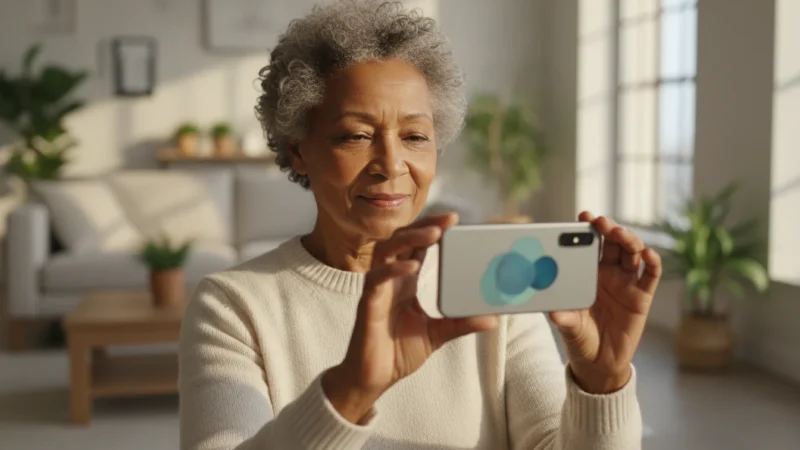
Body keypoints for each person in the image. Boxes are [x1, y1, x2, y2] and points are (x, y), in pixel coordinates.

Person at [178, 1, 662, 449]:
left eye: (414, 136)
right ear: (299, 149)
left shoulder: (493, 290)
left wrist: (603, 384)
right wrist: (349, 391)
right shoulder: (233, 305)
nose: (391, 163)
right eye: (356, 136)